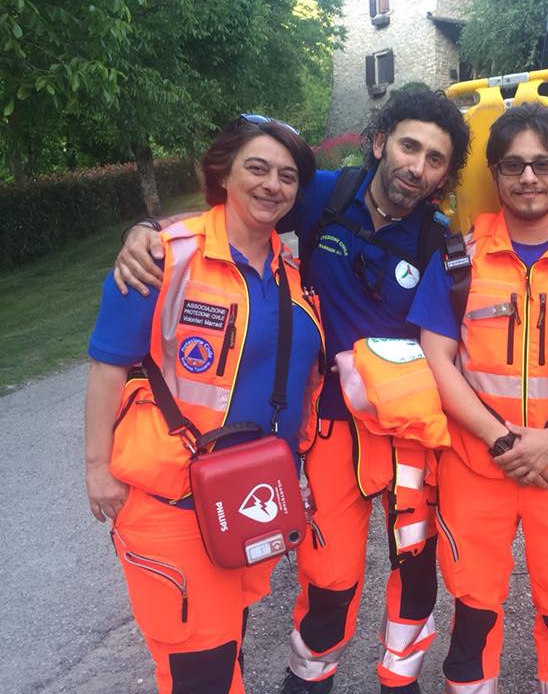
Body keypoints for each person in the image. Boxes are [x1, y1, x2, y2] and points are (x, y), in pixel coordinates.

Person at [113, 90, 471, 694]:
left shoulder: (439, 237)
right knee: (330, 574)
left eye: (435, 159)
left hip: (410, 431)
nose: (417, 167)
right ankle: (309, 679)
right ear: (379, 143)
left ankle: (400, 679)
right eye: (409, 146)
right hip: (330, 423)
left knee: (415, 566)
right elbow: (232, 215)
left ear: (444, 174)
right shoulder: (323, 194)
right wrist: (147, 230)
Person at [84, 114, 324, 694]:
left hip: (249, 501)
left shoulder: (294, 277)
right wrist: (96, 468)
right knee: (201, 673)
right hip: (171, 503)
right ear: (223, 174)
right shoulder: (164, 257)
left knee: (226, 647)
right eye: (257, 168)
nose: (272, 185)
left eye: (287, 176)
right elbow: (107, 363)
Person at [409, 102, 548, 693]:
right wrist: (503, 442)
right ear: (495, 174)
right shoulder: (457, 260)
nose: (528, 177)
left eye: (542, 164)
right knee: (473, 615)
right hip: (477, 468)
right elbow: (436, 360)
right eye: (513, 165)